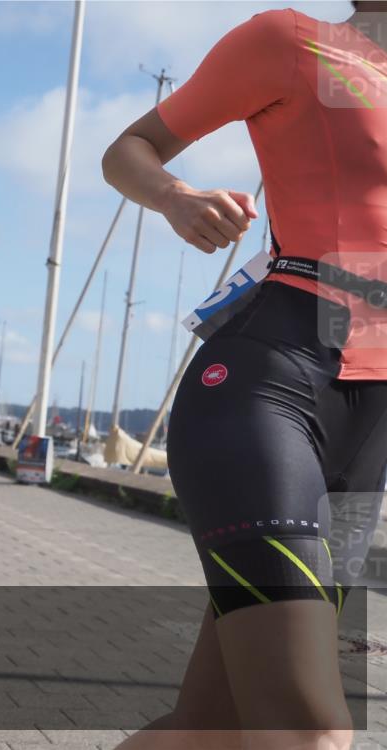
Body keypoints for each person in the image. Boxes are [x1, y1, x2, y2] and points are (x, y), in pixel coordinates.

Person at [103, 3, 386, 749]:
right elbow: (128, 148)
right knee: (312, 732)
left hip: (370, 436)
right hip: (272, 387)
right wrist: (176, 196)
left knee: (211, 733)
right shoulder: (291, 42)